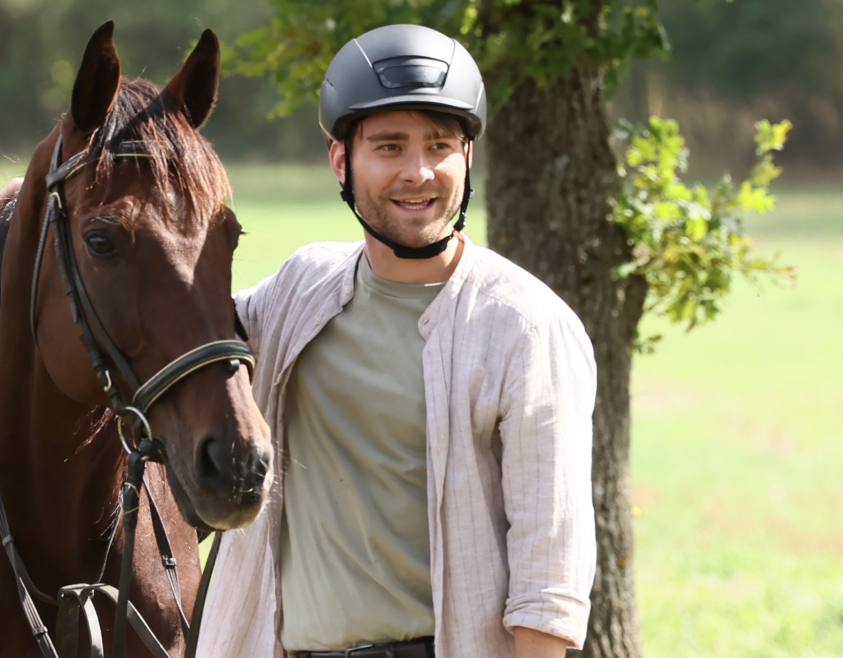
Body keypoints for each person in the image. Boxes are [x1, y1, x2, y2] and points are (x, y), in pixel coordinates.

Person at [195, 24, 598, 658]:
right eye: (388, 147)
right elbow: (177, 341)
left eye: (440, 145)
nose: (419, 172)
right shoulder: (300, 291)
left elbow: (549, 580)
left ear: (467, 157)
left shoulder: (524, 328)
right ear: (341, 161)